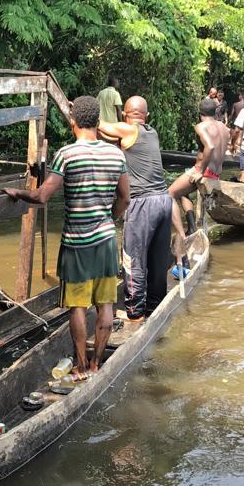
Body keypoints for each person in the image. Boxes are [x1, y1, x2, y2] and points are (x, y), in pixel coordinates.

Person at [4, 96, 129, 374]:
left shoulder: (67, 154)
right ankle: (98, 362)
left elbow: (42, 195)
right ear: (98, 123)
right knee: (106, 303)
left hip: (77, 242)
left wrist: (18, 192)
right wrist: (110, 217)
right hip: (107, 240)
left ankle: (81, 364)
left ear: (73, 122)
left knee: (77, 306)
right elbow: (124, 198)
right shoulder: (116, 154)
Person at [96, 96, 172, 322]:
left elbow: (102, 126)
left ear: (124, 115)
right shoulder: (152, 132)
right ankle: (154, 308)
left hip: (142, 205)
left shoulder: (128, 130)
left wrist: (78, 111)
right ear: (146, 116)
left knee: (134, 260)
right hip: (164, 201)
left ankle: (135, 313)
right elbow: (110, 135)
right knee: (158, 262)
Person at [168, 98, 230, 240]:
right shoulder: (224, 128)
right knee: (182, 193)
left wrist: (200, 171)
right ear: (216, 111)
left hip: (203, 172)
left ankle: (182, 236)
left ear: (200, 112)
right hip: (216, 173)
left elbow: (210, 146)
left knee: (168, 195)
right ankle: (192, 227)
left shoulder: (201, 126)